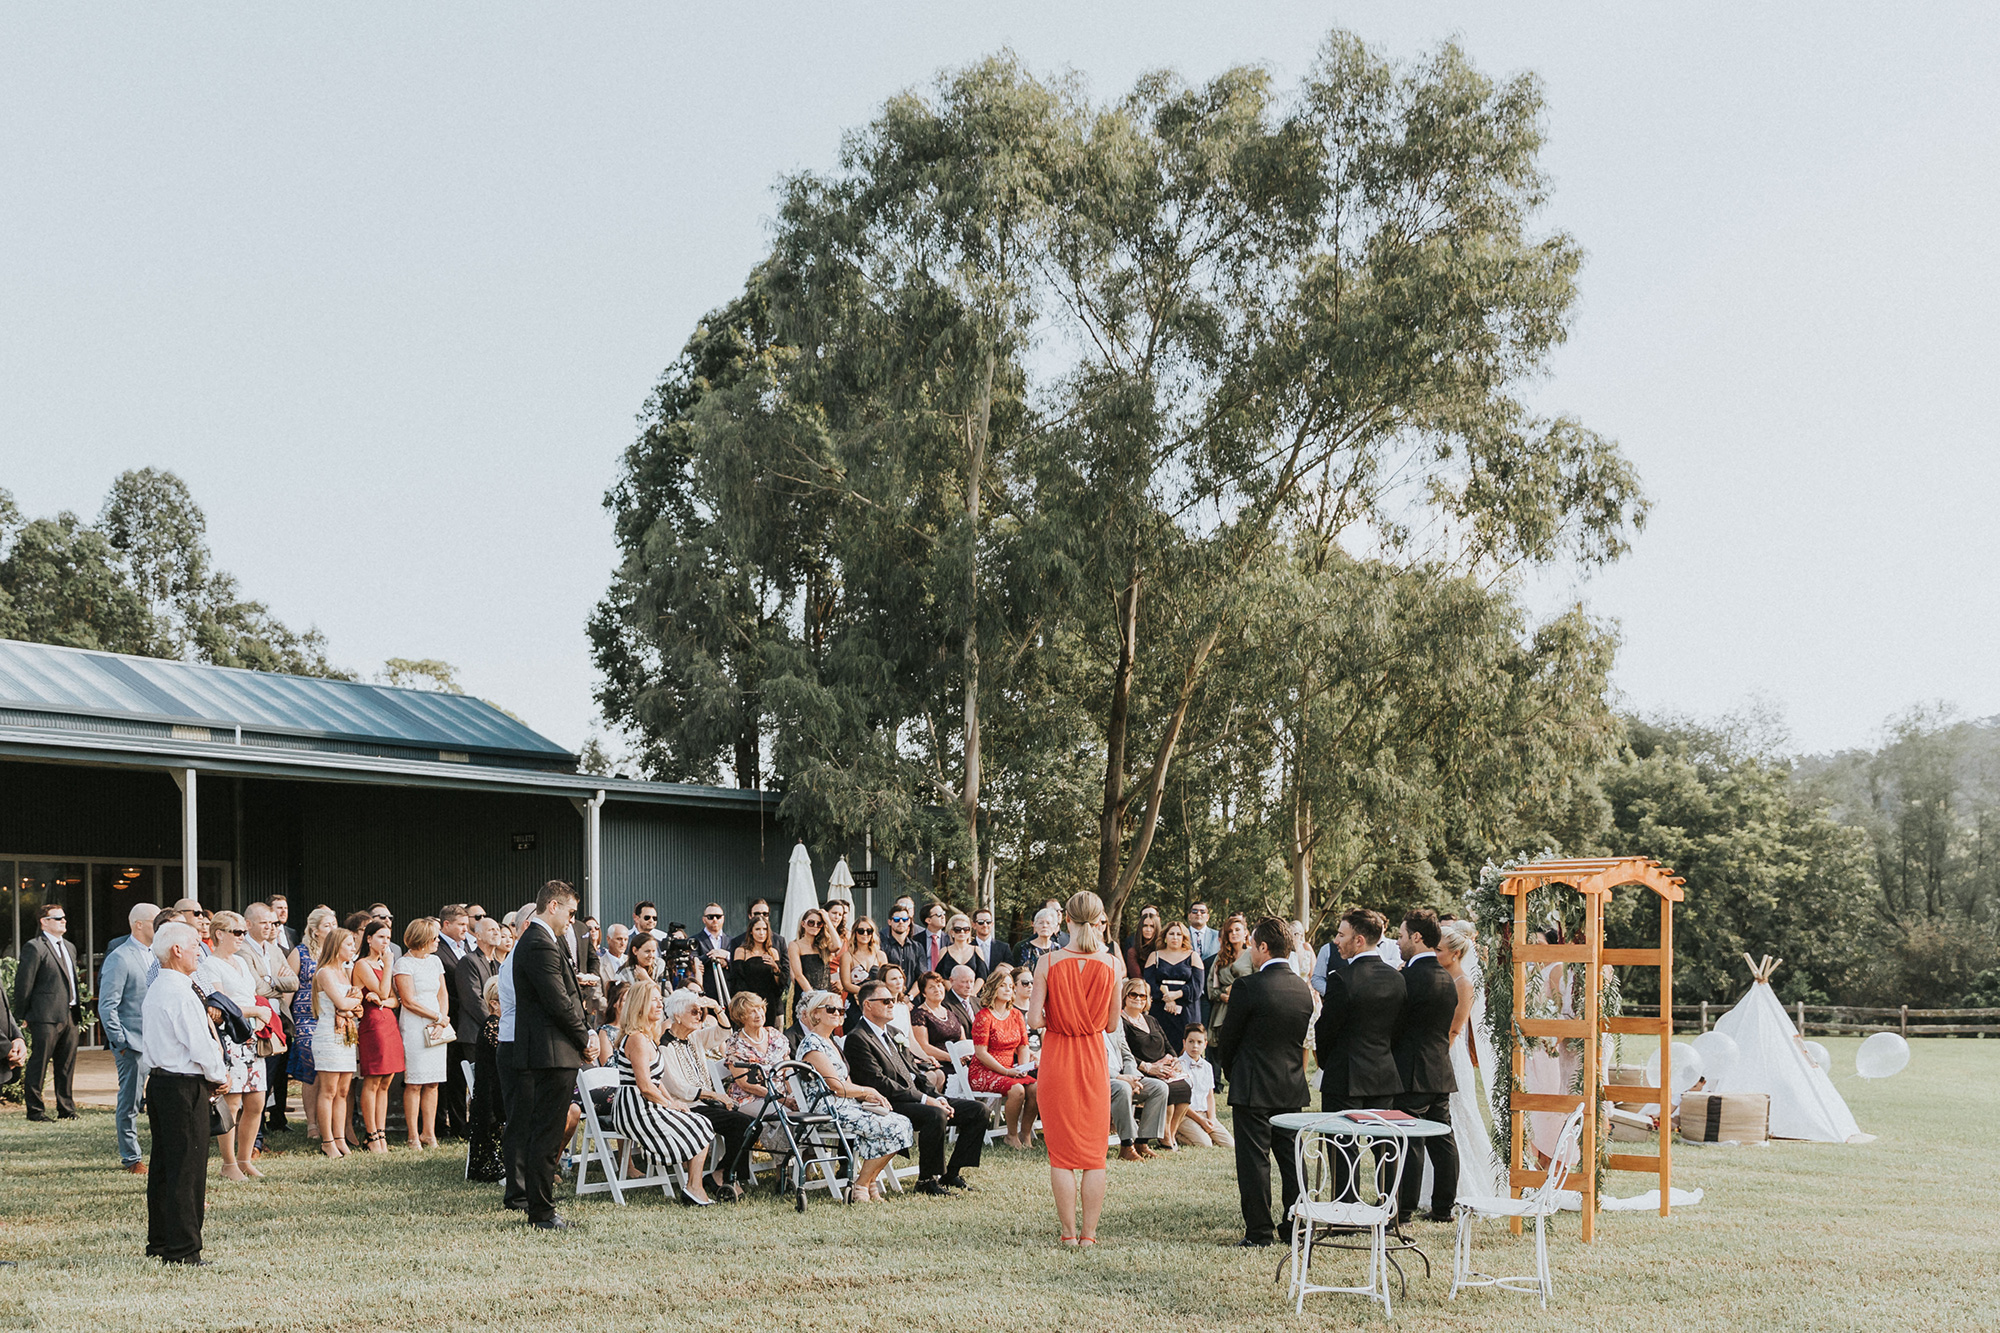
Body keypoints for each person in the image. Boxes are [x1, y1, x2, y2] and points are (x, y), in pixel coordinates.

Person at [1212, 918, 1315, 1248]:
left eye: (1252, 945)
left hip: (1253, 1083)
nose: (1250, 952)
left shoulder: (1247, 987)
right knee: (1291, 1159)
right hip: (1290, 1084)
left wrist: (1232, 1070)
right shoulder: (1303, 989)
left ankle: (1258, 1232)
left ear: (1264, 948)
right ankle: (1294, 1226)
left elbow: (1229, 1039)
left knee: (1255, 1160)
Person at [1029, 889, 1121, 1246]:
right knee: (1094, 1155)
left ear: (1066, 919)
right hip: (1093, 1059)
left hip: (1057, 1058)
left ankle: (1068, 1233)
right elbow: (1112, 1026)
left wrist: (1060, 1016)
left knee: (1062, 1154)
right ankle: (1089, 1235)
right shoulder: (1112, 964)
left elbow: (1035, 1018)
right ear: (1099, 921)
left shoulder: (1048, 963)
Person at [845, 977, 989, 1196]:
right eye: (885, 1001)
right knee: (935, 1115)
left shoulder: (893, 1033)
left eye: (892, 1000)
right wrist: (927, 1101)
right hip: (889, 1103)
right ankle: (926, 1180)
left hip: (916, 1097)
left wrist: (936, 1096)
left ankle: (952, 1173)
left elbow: (915, 1073)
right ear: (868, 1004)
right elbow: (879, 1083)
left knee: (978, 1111)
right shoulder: (858, 1038)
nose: (892, 1004)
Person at [510, 880, 599, 1229]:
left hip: (555, 1050)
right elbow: (558, 1001)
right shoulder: (538, 943)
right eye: (571, 912)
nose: (572, 921)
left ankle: (544, 1207)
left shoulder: (547, 940)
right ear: (553, 906)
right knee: (546, 1135)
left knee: (546, 1134)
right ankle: (542, 1214)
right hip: (550, 1052)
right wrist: (584, 1038)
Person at [141, 922, 227, 1265]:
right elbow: (200, 1045)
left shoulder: (159, 989)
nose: (199, 950)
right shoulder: (180, 992)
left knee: (164, 1165)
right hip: (183, 1084)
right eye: (194, 944)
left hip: (162, 1083)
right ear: (176, 950)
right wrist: (219, 1076)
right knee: (187, 1168)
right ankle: (184, 1249)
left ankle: (161, 1240)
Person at [797, 986, 915, 1203]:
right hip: (827, 1110)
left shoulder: (832, 1043)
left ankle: (867, 1181)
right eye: (831, 1009)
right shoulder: (812, 1044)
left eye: (841, 1011)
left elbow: (847, 1083)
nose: (838, 1014)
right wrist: (868, 1090)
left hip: (846, 1105)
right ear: (815, 1014)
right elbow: (836, 1087)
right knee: (890, 1126)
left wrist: (866, 1097)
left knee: (901, 1122)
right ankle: (862, 1185)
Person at [611, 980, 716, 1205]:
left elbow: (657, 1082)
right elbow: (645, 1086)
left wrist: (673, 1102)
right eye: (654, 1001)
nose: (660, 1005)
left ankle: (693, 1187)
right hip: (635, 1108)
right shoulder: (637, 1039)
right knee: (700, 1125)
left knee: (700, 1122)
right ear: (640, 1006)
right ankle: (694, 1188)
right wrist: (670, 1105)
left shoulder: (648, 1037)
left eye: (661, 1000)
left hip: (648, 1103)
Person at [1391, 910, 1460, 1223]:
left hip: (1412, 1070)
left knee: (1411, 1140)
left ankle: (1403, 1211)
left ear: (1417, 937)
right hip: (1440, 1068)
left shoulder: (1407, 979)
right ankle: (1443, 1208)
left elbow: (1396, 1025)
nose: (1398, 940)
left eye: (1402, 935)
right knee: (1443, 1140)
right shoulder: (1448, 977)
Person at [194, 911, 273, 1181]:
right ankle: (228, 1164)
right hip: (230, 1038)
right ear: (219, 934)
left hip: (252, 1036)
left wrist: (259, 1017)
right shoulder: (210, 966)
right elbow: (222, 1005)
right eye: (237, 932)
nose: (242, 937)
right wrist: (255, 1011)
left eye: (243, 932)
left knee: (257, 1101)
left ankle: (245, 1159)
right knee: (233, 1101)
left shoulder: (241, 961)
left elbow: (253, 993)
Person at [662, 988, 753, 1197]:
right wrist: (714, 1095)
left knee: (749, 1122)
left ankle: (723, 1174)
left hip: (705, 1104)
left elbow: (724, 1032)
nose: (699, 1016)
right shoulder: (664, 1045)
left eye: (700, 1013)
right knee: (742, 1123)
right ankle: (725, 1175)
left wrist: (715, 1008)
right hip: (686, 1107)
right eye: (693, 1012)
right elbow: (677, 1087)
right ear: (677, 1015)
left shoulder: (695, 1038)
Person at [1316, 909, 1405, 1114]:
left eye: (1341, 935)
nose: (1336, 941)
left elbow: (1326, 1028)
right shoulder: (1397, 978)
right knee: (1383, 1144)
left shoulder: (1341, 979)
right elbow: (1399, 1028)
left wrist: (1328, 1063)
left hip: (1345, 1076)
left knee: (1341, 1144)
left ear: (1359, 941)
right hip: (1384, 1076)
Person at [97, 901, 158, 1172]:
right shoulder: (120, 957)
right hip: (132, 1043)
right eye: (156, 921)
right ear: (139, 924)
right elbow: (107, 1005)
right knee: (130, 1103)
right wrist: (120, 1042)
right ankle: (131, 1157)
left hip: (159, 1040)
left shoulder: (159, 954)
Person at [13, 902, 82, 1121]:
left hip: (70, 1014)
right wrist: (21, 1016)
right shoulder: (35, 947)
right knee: (39, 1064)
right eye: (58, 918)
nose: (64, 921)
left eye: (64, 917)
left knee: (66, 1065)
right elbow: (24, 983)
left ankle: (66, 1109)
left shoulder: (69, 947)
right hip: (45, 1016)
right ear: (44, 922)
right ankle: (35, 1111)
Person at [396, 916, 451, 1150]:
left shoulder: (436, 961)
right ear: (421, 939)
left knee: (433, 1082)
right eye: (434, 937)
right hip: (416, 1025)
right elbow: (408, 1001)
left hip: (438, 1024)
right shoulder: (403, 964)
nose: (438, 941)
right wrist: (436, 1017)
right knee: (415, 1083)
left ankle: (429, 1132)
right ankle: (412, 1135)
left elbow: (443, 994)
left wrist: (442, 1020)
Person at [309, 927, 363, 1157]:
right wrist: (352, 1003)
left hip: (346, 1036)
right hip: (329, 1035)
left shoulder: (345, 972)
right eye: (349, 944)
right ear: (337, 946)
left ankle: (340, 1136)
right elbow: (342, 1002)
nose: (353, 948)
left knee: (343, 1090)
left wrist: (352, 1004)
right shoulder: (325, 972)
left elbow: (355, 1002)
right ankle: (327, 1139)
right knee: (328, 1090)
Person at [245, 902, 299, 1134]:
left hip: (279, 1019)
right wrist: (276, 981)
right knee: (260, 1078)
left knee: (276, 1074)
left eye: (273, 923)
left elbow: (293, 983)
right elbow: (256, 989)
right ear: (248, 924)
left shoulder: (275, 950)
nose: (270, 927)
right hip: (257, 1022)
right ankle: (255, 1131)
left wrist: (269, 980)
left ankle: (269, 1124)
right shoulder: (243, 951)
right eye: (264, 922)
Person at [969, 969, 1037, 1148]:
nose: (1008, 990)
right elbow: (981, 1053)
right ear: (993, 988)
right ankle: (1011, 1135)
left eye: (1010, 986)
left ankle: (1026, 1132)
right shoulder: (983, 1016)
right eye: (1002, 986)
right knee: (1017, 1090)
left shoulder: (1015, 1014)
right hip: (984, 1071)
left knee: (1037, 1088)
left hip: (1011, 1069)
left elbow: (1023, 1045)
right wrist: (1007, 1071)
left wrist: (1023, 1068)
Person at [1120, 980, 1191, 1152]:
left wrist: (1173, 1059)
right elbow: (1123, 1054)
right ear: (1125, 996)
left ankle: (1170, 1134)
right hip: (1141, 1070)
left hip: (1163, 1069)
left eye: (1142, 995)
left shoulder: (1151, 1020)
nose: (1138, 999)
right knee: (1169, 1090)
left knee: (1185, 1088)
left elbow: (1167, 1044)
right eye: (1133, 994)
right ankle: (1157, 1139)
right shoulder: (1120, 1022)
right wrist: (1149, 1067)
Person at [352, 920, 404, 1154]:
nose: (386, 942)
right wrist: (384, 994)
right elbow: (385, 991)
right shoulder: (363, 965)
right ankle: (371, 1134)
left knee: (386, 1081)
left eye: (388, 937)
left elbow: (393, 999)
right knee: (373, 1080)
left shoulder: (384, 965)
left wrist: (383, 999)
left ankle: (381, 1133)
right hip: (373, 1025)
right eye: (381, 937)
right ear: (369, 939)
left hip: (388, 1022)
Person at [289, 907, 335, 1144]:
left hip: (330, 1016)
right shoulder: (300, 953)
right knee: (313, 1072)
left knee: (329, 1071)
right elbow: (289, 988)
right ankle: (312, 1123)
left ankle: (329, 1121)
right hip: (306, 1018)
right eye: (327, 925)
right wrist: (289, 1023)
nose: (332, 929)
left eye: (334, 924)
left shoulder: (336, 953)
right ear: (315, 930)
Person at [720, 990, 792, 1127]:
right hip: (750, 1099)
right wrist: (782, 1099)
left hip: (782, 1097)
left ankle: (801, 1148)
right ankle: (787, 1149)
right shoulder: (736, 1044)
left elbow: (788, 1070)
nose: (758, 1014)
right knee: (786, 1117)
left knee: (807, 1110)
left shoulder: (775, 1035)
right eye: (751, 1011)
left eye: (759, 1009)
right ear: (741, 1016)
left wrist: (793, 1095)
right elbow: (746, 1084)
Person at [436, 903, 474, 1140]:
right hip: (451, 1017)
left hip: (467, 1021)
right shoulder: (437, 949)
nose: (465, 928)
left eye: (466, 924)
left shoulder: (469, 945)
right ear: (446, 925)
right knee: (447, 1076)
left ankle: (462, 1124)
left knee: (462, 1074)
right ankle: (445, 1124)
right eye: (460, 924)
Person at [1106, 1019, 1169, 1160]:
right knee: (1122, 1088)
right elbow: (1091, 1062)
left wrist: (1133, 1077)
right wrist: (1120, 1077)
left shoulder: (1115, 1022)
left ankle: (1142, 1143)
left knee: (1159, 1088)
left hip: (1124, 1075)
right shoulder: (1089, 1024)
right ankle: (1126, 1145)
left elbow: (1127, 1055)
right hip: (1100, 1078)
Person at [1143, 921, 1205, 1053]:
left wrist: (1176, 995)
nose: (1175, 937)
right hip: (1161, 1010)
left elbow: (1197, 987)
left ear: (1184, 937)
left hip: (1187, 1011)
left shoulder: (1193, 956)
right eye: (1171, 934)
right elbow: (1149, 985)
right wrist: (1167, 998)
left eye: (1179, 934)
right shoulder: (1155, 956)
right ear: (1165, 936)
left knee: (1186, 1049)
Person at [1175, 1024, 1234, 1148]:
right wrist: (1200, 1121)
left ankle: (1203, 1131)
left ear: (1205, 1044)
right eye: (1191, 1042)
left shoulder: (1207, 1066)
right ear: (1184, 1043)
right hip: (1186, 1115)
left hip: (1204, 1114)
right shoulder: (1178, 1065)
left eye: (1199, 1042)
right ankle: (1176, 1134)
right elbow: (1180, 1101)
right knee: (1205, 1144)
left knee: (1230, 1144)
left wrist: (1211, 1119)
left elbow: (1209, 1096)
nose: (1195, 1046)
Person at [728, 915, 786, 1018]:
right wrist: (749, 1002)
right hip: (748, 1004)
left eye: (764, 929)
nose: (761, 933)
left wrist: (776, 968)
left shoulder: (773, 952)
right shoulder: (741, 951)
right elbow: (737, 980)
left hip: (768, 1002)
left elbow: (779, 985)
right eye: (757, 929)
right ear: (751, 931)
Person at [1206, 914, 1254, 1034]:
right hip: (1222, 1009)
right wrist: (1221, 996)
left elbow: (1259, 980)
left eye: (1237, 930)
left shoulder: (1252, 954)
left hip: (1245, 1008)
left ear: (1245, 933)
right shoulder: (1220, 956)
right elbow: (1211, 983)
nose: (1234, 933)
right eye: (1230, 931)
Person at [788, 908, 837, 1020]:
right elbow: (798, 974)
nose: (815, 926)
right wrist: (812, 996)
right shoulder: (795, 945)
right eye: (811, 922)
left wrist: (828, 921)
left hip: (825, 994)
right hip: (805, 994)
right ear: (803, 924)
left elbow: (837, 945)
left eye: (819, 923)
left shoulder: (823, 945)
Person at [909, 970, 965, 1064]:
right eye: (931, 987)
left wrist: (965, 1054)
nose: (937, 990)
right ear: (923, 993)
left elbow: (962, 1039)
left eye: (939, 985)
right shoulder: (919, 1015)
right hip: (939, 1063)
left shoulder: (951, 1013)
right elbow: (923, 1046)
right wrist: (951, 1058)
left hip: (960, 1061)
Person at [840, 916, 889, 999]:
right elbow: (846, 984)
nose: (865, 934)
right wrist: (867, 993)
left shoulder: (880, 955)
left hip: (878, 999)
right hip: (855, 1001)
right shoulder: (847, 956)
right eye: (861, 931)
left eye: (869, 931)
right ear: (855, 933)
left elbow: (885, 980)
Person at [695, 903, 732, 1007]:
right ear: (704, 919)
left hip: (729, 995)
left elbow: (738, 964)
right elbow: (694, 962)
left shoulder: (732, 941)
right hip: (707, 995)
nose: (715, 919)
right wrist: (713, 956)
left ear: (723, 918)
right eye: (710, 917)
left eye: (718, 916)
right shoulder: (695, 941)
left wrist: (726, 956)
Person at [881, 903, 926, 989]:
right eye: (896, 919)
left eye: (904, 919)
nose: (901, 922)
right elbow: (882, 976)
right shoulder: (882, 946)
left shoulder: (917, 947)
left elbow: (921, 977)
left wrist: (909, 997)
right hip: (890, 997)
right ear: (889, 922)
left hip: (913, 1000)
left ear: (909, 922)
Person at [1013, 907, 1062, 979]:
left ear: (1054, 927)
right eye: (1041, 923)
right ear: (1035, 926)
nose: (1044, 926)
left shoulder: (1058, 949)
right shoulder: (1022, 947)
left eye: (1048, 923)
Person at [1122, 906, 1162, 978]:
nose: (1148, 929)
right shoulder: (1132, 952)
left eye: (1152, 926)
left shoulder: (1163, 948)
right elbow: (1137, 977)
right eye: (1145, 926)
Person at [970, 908, 1012, 973]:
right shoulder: (968, 948)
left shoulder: (1004, 948)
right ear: (974, 925)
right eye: (981, 922)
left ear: (992, 924)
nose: (985, 925)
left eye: (988, 922)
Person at [917, 902, 950, 973]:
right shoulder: (916, 940)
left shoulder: (949, 940)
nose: (943, 917)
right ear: (928, 920)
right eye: (939, 915)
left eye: (943, 913)